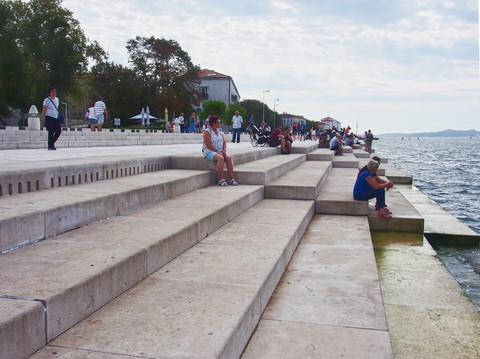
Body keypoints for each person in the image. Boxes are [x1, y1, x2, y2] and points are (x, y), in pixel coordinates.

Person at [202, 115, 239, 186]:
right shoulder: (207, 131)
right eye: (218, 122)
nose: (220, 123)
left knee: (228, 157)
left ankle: (232, 179)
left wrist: (224, 149)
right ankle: (221, 180)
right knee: (220, 158)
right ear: (213, 123)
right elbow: (207, 144)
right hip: (209, 151)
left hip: (220, 150)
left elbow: (224, 142)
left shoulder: (219, 131)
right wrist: (217, 151)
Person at [40, 86, 62, 150]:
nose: (54, 93)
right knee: (51, 131)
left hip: (55, 118)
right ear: (50, 93)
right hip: (49, 117)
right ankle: (50, 146)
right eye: (52, 92)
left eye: (55, 91)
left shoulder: (57, 99)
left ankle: (51, 143)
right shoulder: (46, 100)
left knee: (58, 131)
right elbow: (43, 111)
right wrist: (42, 120)